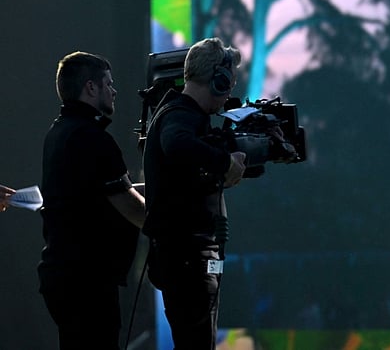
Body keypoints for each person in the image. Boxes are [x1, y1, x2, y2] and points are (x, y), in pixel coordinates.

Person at [142, 37, 247, 349]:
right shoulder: (179, 117)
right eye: (229, 81)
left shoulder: (181, 116)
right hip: (188, 259)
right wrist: (225, 161)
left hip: (189, 258)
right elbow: (176, 145)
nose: (230, 90)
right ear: (218, 79)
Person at [37, 51, 146, 349]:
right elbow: (127, 203)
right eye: (108, 83)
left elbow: (94, 194)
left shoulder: (58, 132)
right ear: (91, 87)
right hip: (86, 283)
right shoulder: (92, 138)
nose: (114, 90)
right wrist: (172, 226)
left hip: (63, 275)